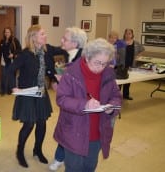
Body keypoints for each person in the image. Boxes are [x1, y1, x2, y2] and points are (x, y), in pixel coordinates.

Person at [53, 38, 122, 172]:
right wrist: (84, 105)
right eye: (97, 63)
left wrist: (112, 108)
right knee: (74, 168)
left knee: (90, 167)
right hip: (74, 131)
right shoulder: (71, 73)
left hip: (97, 131)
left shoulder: (108, 74)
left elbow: (117, 97)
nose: (100, 67)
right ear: (87, 57)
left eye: (104, 63)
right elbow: (61, 99)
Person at [7, 25, 53, 168]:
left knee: (42, 122)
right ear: (34, 37)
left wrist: (56, 77)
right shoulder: (25, 54)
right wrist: (12, 86)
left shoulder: (44, 52)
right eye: (42, 34)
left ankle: (37, 150)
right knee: (29, 124)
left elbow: (50, 69)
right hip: (27, 92)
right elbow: (10, 70)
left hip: (40, 91)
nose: (45, 36)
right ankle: (19, 152)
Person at [49, 27, 88, 171]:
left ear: (75, 43)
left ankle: (64, 159)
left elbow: (82, 90)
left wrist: (62, 88)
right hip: (69, 105)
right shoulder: (70, 55)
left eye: (65, 39)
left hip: (77, 107)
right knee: (64, 130)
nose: (61, 40)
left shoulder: (83, 60)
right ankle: (59, 157)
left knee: (70, 133)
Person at [0, 27, 22, 95]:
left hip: (11, 61)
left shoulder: (14, 40)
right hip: (3, 61)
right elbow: (1, 51)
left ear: (11, 33)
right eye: (5, 32)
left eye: (8, 32)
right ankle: (3, 91)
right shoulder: (2, 41)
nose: (6, 33)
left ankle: (11, 91)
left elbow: (19, 49)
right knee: (3, 76)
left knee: (11, 77)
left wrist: (13, 54)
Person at [122, 28, 145, 100]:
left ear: (132, 35)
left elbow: (142, 49)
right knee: (119, 81)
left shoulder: (136, 43)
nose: (128, 35)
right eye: (126, 33)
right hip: (121, 64)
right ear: (124, 34)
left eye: (129, 33)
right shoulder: (121, 42)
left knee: (128, 80)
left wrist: (138, 56)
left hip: (131, 64)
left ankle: (126, 95)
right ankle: (116, 96)